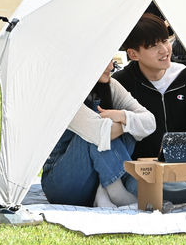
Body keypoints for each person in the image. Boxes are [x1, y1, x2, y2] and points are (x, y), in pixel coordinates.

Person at [113, 13, 186, 203]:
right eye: (153, 46)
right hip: (147, 171)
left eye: (165, 41)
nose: (164, 50)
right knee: (141, 184)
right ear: (133, 54)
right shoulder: (121, 85)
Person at [41, 61, 156, 207]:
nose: (111, 67)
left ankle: (102, 193)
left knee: (128, 125)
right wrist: (125, 123)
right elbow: (100, 133)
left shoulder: (111, 85)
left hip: (92, 182)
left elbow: (150, 122)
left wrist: (122, 115)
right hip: (62, 184)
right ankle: (116, 193)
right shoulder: (65, 93)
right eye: (104, 62)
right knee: (99, 132)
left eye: (112, 61)